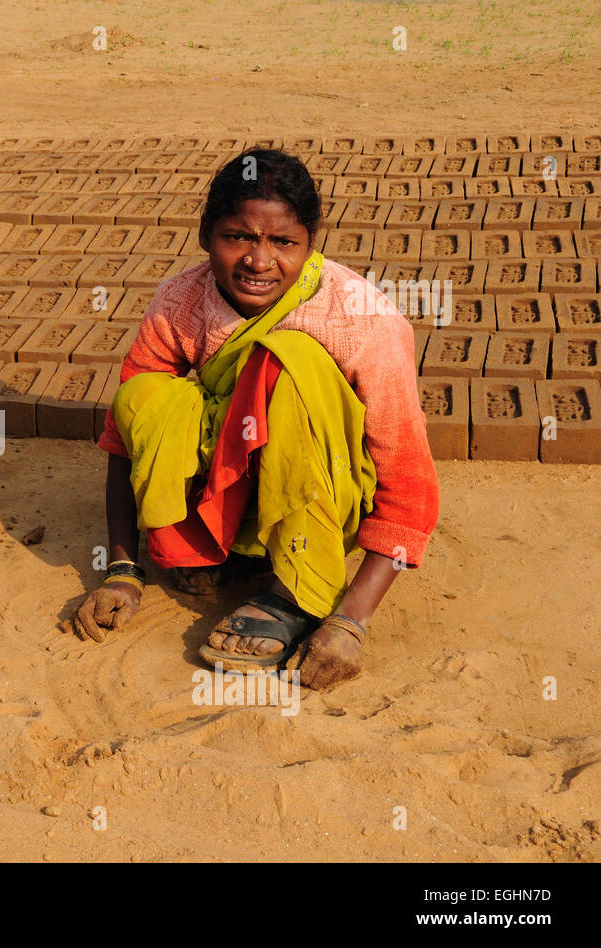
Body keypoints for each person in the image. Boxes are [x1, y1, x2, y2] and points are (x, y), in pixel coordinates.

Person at [73, 149, 439, 691]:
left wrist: (351, 620)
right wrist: (123, 570)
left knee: (287, 362)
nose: (258, 261)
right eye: (237, 237)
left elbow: (408, 481)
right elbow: (124, 437)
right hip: (236, 488)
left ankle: (297, 590)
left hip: (327, 495)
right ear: (205, 234)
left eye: (283, 243)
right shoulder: (181, 300)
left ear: (311, 241)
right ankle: (208, 546)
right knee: (147, 393)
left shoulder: (360, 318)